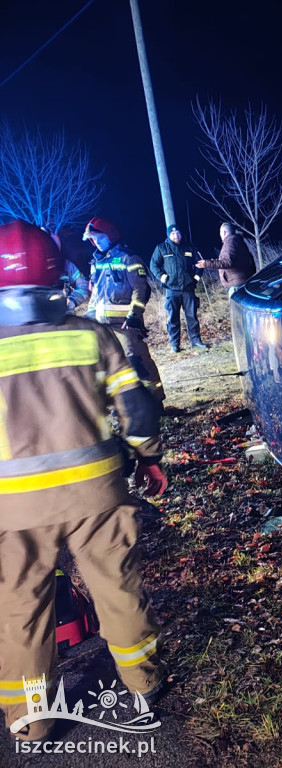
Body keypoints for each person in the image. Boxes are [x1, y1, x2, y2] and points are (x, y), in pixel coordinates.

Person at [0, 220, 168, 742]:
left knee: (22, 608)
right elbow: (136, 410)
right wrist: (149, 458)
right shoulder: (92, 335)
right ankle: (142, 682)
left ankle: (33, 720)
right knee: (116, 587)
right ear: (57, 272)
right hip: (98, 494)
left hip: (14, 509)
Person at [82, 217, 165, 404]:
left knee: (139, 363)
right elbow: (96, 294)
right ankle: (125, 408)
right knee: (111, 368)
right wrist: (89, 318)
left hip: (126, 326)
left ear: (110, 236)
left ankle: (156, 403)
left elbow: (140, 289)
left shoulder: (129, 258)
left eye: (98, 237)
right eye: (92, 239)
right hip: (103, 327)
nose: (95, 242)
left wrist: (134, 316)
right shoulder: (96, 262)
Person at [150, 224, 208, 352]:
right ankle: (174, 345)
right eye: (173, 234)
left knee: (192, 316)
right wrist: (162, 277)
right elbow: (153, 265)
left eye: (178, 233)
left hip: (188, 288)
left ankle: (196, 341)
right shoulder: (161, 248)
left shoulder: (189, 247)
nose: (176, 236)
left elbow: (199, 264)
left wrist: (196, 279)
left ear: (181, 234)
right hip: (172, 289)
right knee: (173, 318)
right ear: (168, 235)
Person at [195, 221, 256, 298]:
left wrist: (207, 263)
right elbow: (250, 258)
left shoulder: (230, 242)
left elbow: (227, 262)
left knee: (236, 309)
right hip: (242, 281)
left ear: (224, 232)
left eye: (220, 233)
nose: (220, 235)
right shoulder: (238, 240)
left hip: (236, 285)